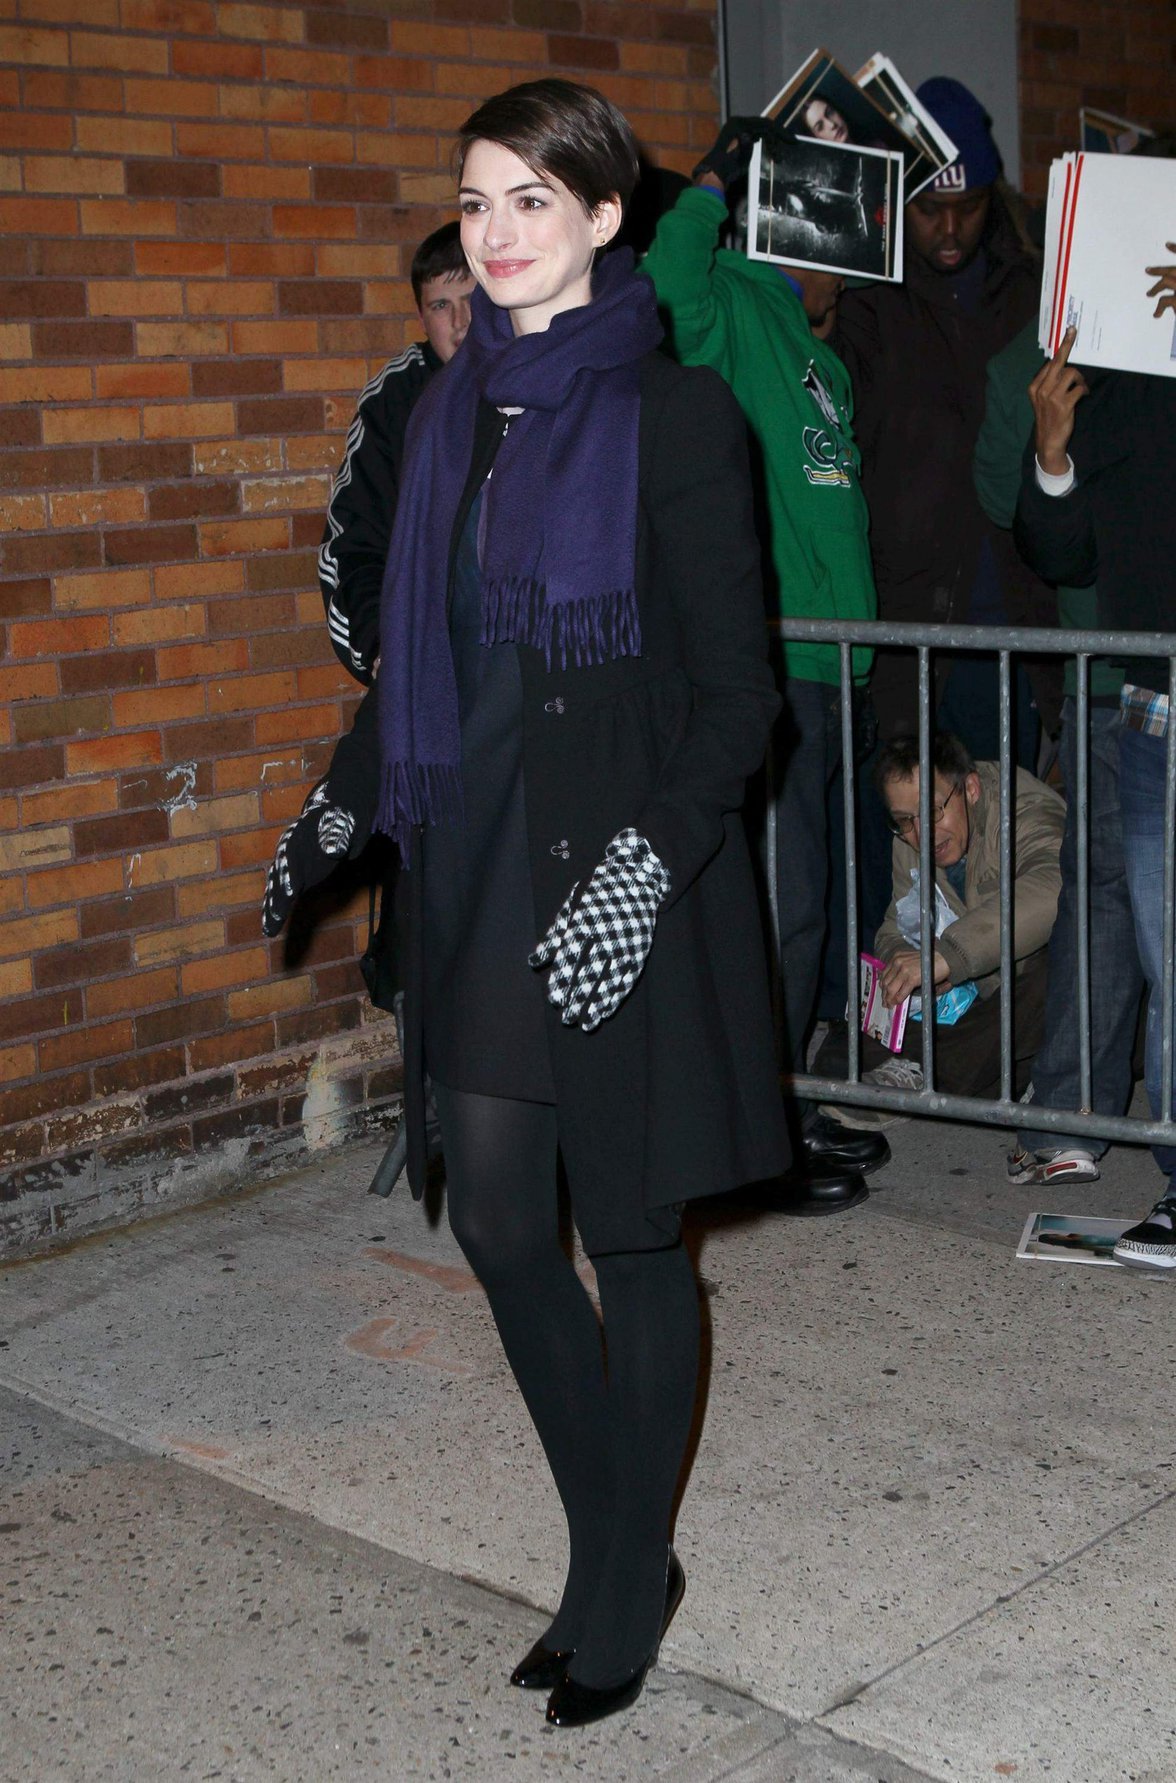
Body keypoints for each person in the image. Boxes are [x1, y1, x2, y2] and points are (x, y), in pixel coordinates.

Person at [359, 78, 787, 1727]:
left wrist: (647, 861)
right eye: (475, 203)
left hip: (622, 888)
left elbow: (742, 700)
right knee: (493, 1218)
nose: (494, 233)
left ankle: (618, 1581)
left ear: (609, 217)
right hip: (481, 875)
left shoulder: (677, 422)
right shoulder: (449, 418)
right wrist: (346, 798)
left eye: (531, 198)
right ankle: (621, 1538)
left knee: (629, 1233)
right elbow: (426, 660)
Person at [640, 116, 889, 1215]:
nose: (843, 256)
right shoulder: (733, 306)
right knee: (779, 914)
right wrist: (710, 182)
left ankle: (777, 1105)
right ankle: (753, 1136)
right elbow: (664, 279)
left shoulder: (819, 348)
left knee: (810, 912)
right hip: (774, 664)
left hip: (838, 670)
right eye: (829, 233)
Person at [832, 77, 1059, 960]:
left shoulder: (1033, 284)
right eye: (931, 209)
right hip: (908, 619)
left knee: (1003, 834)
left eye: (966, 207)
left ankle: (991, 1034)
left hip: (1014, 610)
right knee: (899, 838)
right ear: (899, 205)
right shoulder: (870, 298)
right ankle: (884, 1020)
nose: (952, 229)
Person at [1013, 240, 1176, 1269]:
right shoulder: (1116, 380)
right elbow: (1062, 552)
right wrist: (1054, 450)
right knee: (1164, 951)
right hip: (1150, 702)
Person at [974, 320, 1142, 1186]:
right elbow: (1014, 511)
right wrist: (1049, 438)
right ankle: (1071, 1111)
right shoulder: (1029, 364)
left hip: (1131, 663)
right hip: (1112, 676)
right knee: (1104, 899)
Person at [827, 733, 1064, 1123]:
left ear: (970, 788)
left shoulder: (1023, 808)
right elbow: (897, 920)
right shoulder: (911, 835)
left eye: (932, 811)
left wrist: (947, 956)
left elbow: (1055, 884)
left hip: (1043, 984)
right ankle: (957, 1070)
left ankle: (921, 1070)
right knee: (846, 1044)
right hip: (982, 994)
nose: (922, 835)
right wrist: (900, 960)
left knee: (1058, 967)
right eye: (905, 820)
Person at [319, 222, 475, 686]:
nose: (462, 321)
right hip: (427, 657)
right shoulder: (396, 400)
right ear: (422, 318)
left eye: (474, 298)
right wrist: (382, 646)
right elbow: (354, 546)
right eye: (442, 305)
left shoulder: (542, 383)